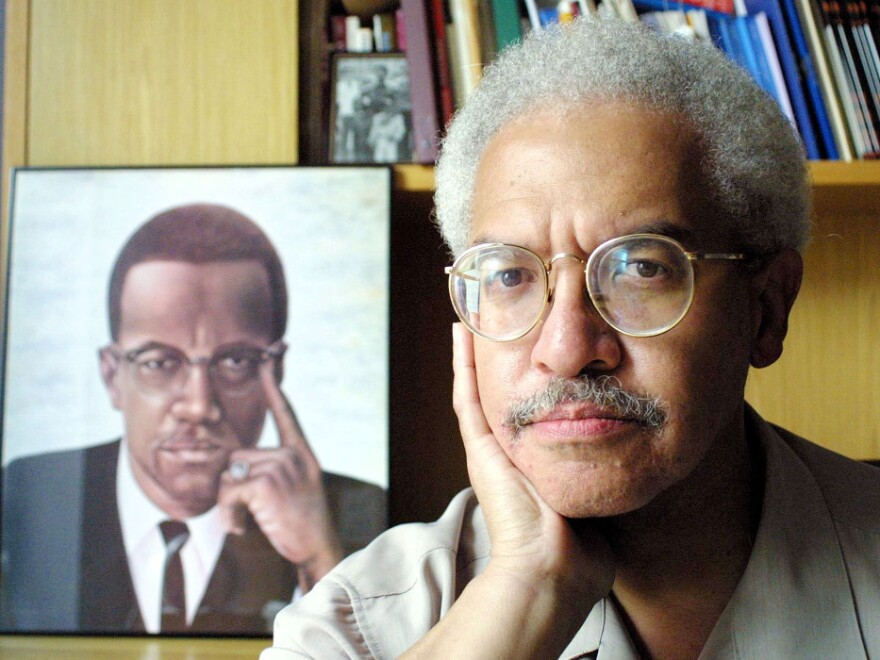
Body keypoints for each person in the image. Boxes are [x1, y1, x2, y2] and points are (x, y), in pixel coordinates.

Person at [262, 17, 880, 659]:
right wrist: (526, 587)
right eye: (507, 275)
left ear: (767, 308)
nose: (566, 346)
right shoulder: (356, 627)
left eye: (642, 267)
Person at [1, 204, 386, 634]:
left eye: (236, 361)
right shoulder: (29, 496)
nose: (199, 405)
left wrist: (319, 559)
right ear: (111, 376)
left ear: (275, 372)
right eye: (159, 362)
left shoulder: (353, 515)